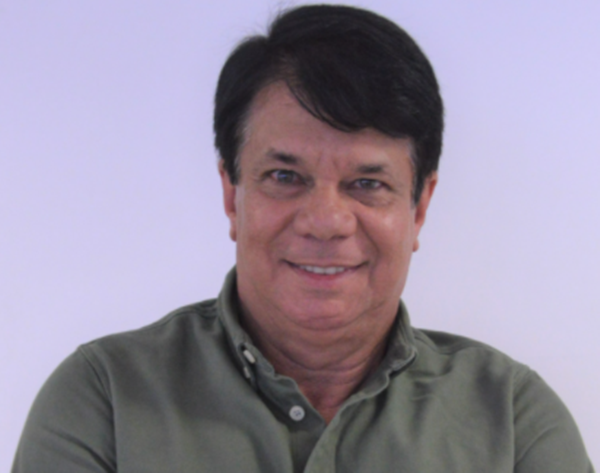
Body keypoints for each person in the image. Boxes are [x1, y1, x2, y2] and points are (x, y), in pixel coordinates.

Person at [12, 4, 593, 473]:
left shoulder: (514, 420)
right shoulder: (104, 401)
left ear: (419, 208)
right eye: (285, 177)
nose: (326, 221)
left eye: (368, 184)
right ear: (231, 193)